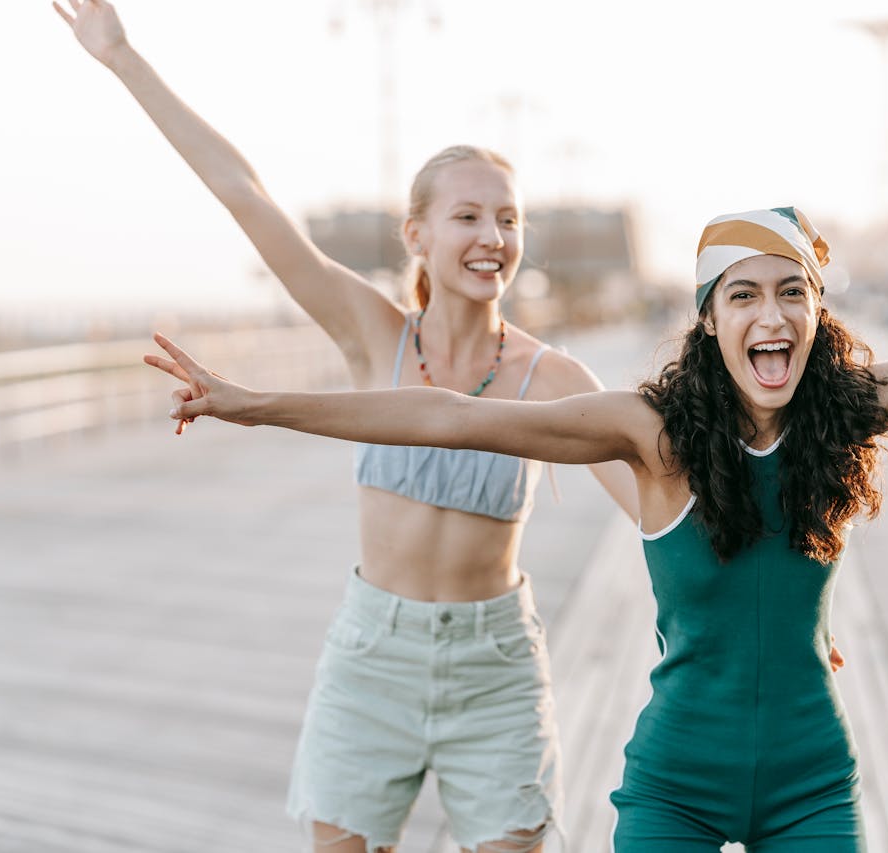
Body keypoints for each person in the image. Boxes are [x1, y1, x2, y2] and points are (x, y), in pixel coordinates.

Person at [144, 206, 888, 851]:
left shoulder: (850, 410)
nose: (768, 313)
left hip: (810, 781)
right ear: (708, 322)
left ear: (816, 316)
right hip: (673, 788)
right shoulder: (649, 436)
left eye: (790, 291)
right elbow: (449, 415)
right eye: (741, 293)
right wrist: (258, 403)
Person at [52, 2, 749, 850]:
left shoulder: (553, 378)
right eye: (467, 217)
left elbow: (663, 510)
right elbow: (245, 195)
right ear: (416, 234)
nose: (493, 236)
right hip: (370, 657)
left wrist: (781, 620)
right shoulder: (371, 333)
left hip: (494, 669)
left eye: (508, 218)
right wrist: (122, 57)